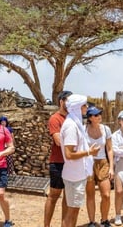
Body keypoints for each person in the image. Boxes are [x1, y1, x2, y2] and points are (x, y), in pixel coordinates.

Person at [60, 94, 100, 227]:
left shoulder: (75, 123)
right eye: (84, 105)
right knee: (71, 212)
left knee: (74, 211)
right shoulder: (71, 126)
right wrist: (89, 152)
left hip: (77, 174)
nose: (86, 108)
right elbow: (69, 154)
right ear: (77, 107)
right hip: (74, 176)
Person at [44, 90, 72, 227]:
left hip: (71, 162)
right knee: (54, 195)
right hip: (58, 162)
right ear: (61, 102)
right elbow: (58, 140)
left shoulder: (73, 119)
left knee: (68, 196)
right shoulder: (55, 118)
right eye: (68, 100)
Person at [85, 106, 114, 227]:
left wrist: (111, 167)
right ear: (90, 118)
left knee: (106, 195)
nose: (99, 117)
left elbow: (110, 149)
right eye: (96, 115)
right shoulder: (83, 129)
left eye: (99, 114)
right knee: (90, 194)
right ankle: (92, 221)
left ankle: (104, 219)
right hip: (88, 162)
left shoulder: (106, 129)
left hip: (103, 162)